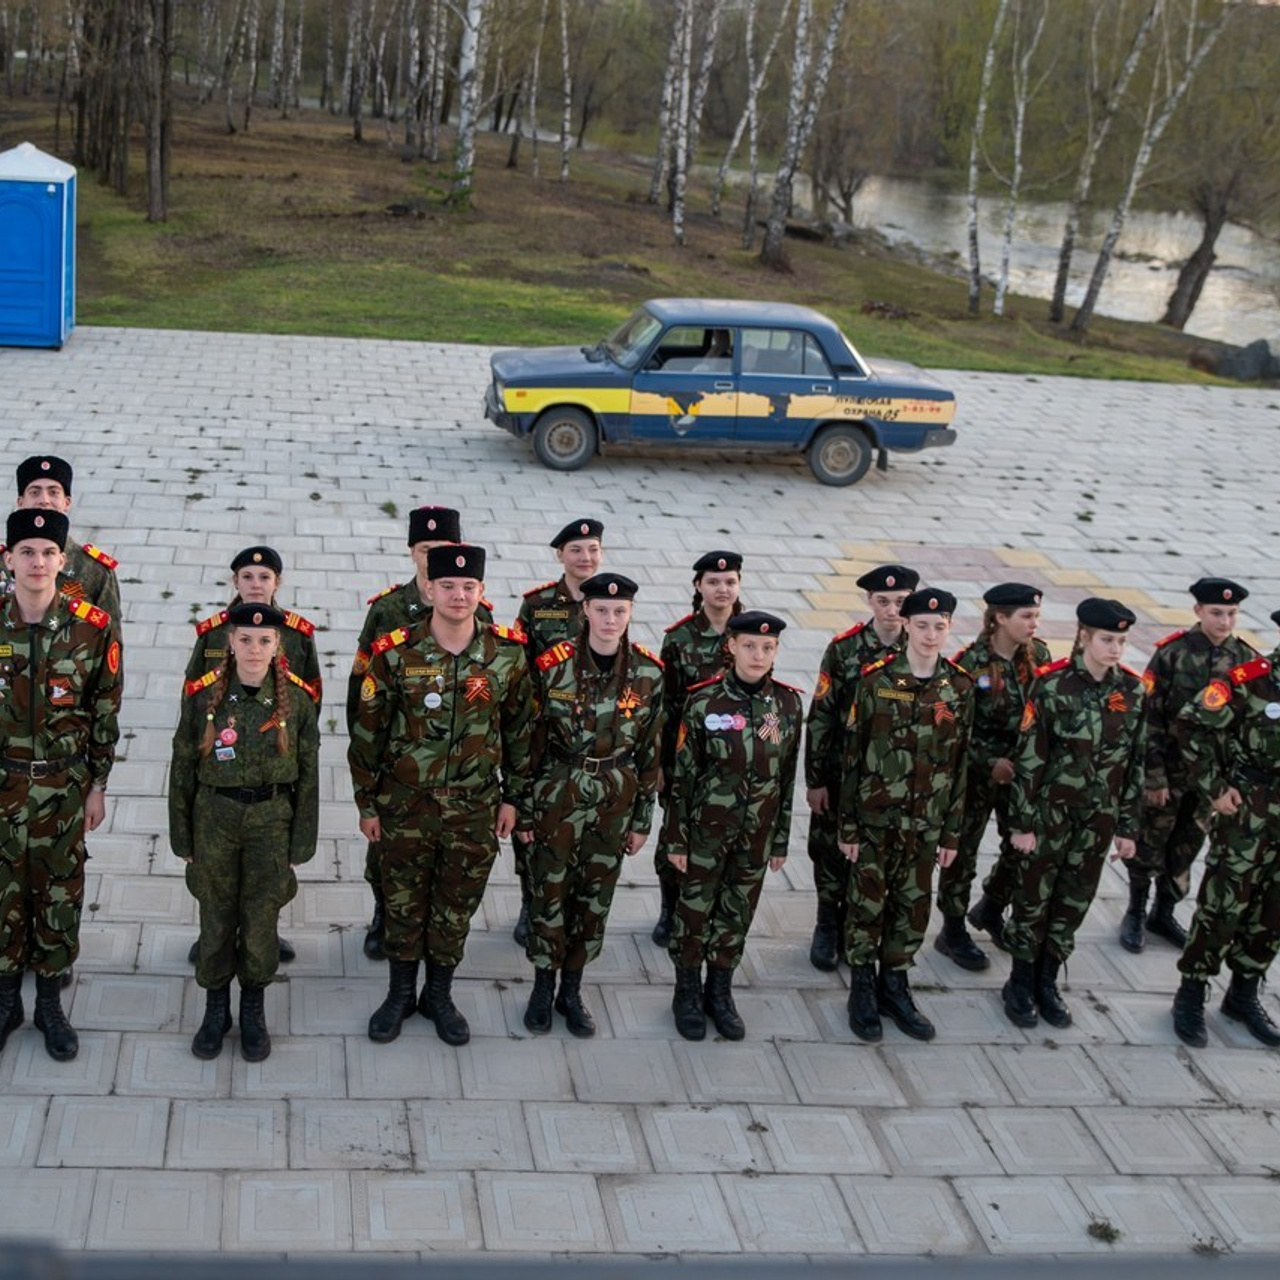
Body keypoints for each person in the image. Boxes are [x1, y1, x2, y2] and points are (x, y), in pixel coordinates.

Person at [349, 544, 533, 1046]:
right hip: (406, 806)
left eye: (468, 587)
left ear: (481, 592)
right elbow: (367, 734)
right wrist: (368, 803)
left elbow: (521, 731)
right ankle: (400, 994)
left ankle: (440, 995)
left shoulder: (507, 654)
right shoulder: (394, 653)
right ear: (429, 589)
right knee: (404, 903)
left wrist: (513, 798)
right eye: (448, 586)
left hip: (474, 809)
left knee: (456, 906)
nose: (458, 595)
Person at [169, 603, 320, 1062]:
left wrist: (301, 842)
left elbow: (309, 774)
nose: (255, 649)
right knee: (215, 919)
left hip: (270, 823)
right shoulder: (203, 698)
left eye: (265, 641)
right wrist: (183, 837)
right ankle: (216, 1010)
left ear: (279, 647)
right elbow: (183, 767)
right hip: (214, 818)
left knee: (260, 921)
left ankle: (253, 1008)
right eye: (245, 640)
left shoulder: (297, 701)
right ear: (229, 643)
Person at [518, 572, 663, 1037]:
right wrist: (522, 807)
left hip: (614, 799)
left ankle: (572, 989)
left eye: (619, 611)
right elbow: (527, 740)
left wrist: (642, 819)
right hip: (558, 791)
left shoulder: (648, 672)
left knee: (594, 898)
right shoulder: (552, 666)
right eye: (601, 609)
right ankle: (542, 986)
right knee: (548, 892)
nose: (610, 619)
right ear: (585, 611)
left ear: (630, 614)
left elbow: (651, 752)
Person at [0, 509, 121, 1062]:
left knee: (59, 894)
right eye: (26, 551)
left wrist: (97, 784)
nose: (38, 562)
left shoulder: (90, 626)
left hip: (63, 790)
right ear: (9, 560)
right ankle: (7, 1001)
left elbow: (104, 708)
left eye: (47, 553)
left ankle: (50, 1004)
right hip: (2, 788)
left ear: (61, 560)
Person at [347, 506, 494, 961]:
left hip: (456, 756)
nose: (432, 559)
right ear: (412, 553)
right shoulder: (387, 609)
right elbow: (362, 681)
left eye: (441, 551)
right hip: (400, 755)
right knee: (388, 851)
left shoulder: (478, 608)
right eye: (425, 551)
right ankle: (383, 914)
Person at [1002, 598, 1146, 1030]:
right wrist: (1022, 824)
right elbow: (1030, 760)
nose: (1115, 649)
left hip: (1097, 821)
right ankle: (1019, 981)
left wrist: (1127, 827)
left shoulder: (1134, 692)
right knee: (1033, 900)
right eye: (1107, 639)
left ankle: (1048, 979)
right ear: (1084, 636)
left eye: (1121, 641)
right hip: (1051, 817)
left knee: (1073, 901)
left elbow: (1135, 762)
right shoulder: (1052, 687)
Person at [838, 588, 973, 1044]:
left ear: (950, 628)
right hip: (876, 822)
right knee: (866, 905)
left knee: (912, 908)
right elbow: (853, 758)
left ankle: (894, 985)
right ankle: (861, 988)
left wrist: (951, 834)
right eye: (922, 625)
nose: (931, 634)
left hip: (926, 825)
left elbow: (960, 767)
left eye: (940, 626)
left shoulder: (959, 687)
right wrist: (849, 826)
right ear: (907, 626)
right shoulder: (875, 680)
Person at [667, 610, 802, 1041]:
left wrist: (779, 838)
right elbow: (683, 778)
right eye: (749, 646)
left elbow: (786, 778)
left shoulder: (787, 704)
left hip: (756, 835)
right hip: (706, 831)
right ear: (731, 647)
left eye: (767, 648)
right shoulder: (704, 701)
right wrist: (677, 838)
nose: (758, 655)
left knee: (737, 912)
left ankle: (719, 991)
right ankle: (686, 990)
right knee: (694, 911)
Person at [185, 544, 320, 966]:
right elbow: (193, 692)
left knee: (265, 878)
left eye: (264, 578)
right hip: (223, 757)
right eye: (247, 577)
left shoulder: (297, 634)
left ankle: (264, 931)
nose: (256, 585)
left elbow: (311, 693)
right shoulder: (213, 632)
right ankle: (218, 936)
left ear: (278, 582)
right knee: (218, 877)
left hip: (271, 748)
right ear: (235, 582)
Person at [1123, 578, 1257, 954]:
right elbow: (1148, 718)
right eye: (1216, 612)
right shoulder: (1172, 654)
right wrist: (1153, 776)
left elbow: (1243, 727)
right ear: (1198, 611)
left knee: (1187, 846)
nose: (1225, 621)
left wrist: (1226, 782)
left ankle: (1163, 913)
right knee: (1150, 843)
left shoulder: (1244, 661)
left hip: (1207, 780)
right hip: (1167, 773)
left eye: (1232, 614)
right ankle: (1134, 911)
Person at [1171, 615, 1280, 1049]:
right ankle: (1192, 991)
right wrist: (1215, 788)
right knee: (1224, 901)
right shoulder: (1249, 678)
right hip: (1248, 810)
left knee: (1274, 907)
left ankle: (1243, 992)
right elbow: (1191, 724)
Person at [805, 564, 919, 972]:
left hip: (893, 780)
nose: (891, 610)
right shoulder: (844, 649)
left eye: (901, 602)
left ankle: (862, 926)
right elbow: (820, 716)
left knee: (876, 858)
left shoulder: (920, 650)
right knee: (830, 849)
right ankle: (826, 923)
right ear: (869, 601)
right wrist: (815, 779)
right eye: (883, 601)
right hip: (841, 773)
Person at [938, 583, 1051, 970]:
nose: (1034, 623)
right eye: (1026, 616)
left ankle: (991, 907)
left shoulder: (1040, 657)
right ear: (999, 618)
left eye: (1036, 616)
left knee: (1021, 848)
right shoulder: (970, 665)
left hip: (1021, 775)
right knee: (961, 853)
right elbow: (952, 729)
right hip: (974, 776)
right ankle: (951, 930)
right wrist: (988, 761)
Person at [512, 518, 604, 946]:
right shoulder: (539, 605)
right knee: (530, 819)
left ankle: (566, 902)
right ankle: (530, 902)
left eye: (592, 549)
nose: (586, 558)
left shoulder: (610, 600)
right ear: (560, 556)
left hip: (590, 736)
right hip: (543, 732)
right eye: (577, 550)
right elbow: (519, 664)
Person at [650, 550, 744, 948]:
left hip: (735, 763)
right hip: (686, 761)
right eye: (713, 582)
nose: (722, 589)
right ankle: (670, 909)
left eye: (730, 582)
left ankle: (710, 910)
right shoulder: (680, 637)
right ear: (698, 587)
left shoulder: (750, 634)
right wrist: (659, 763)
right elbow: (664, 706)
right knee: (676, 836)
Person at [1, 455, 121, 618]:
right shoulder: (2, 563)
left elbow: (109, 636)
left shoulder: (95, 570)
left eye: (53, 492)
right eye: (35, 492)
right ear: (20, 502)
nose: (44, 500)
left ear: (67, 502)